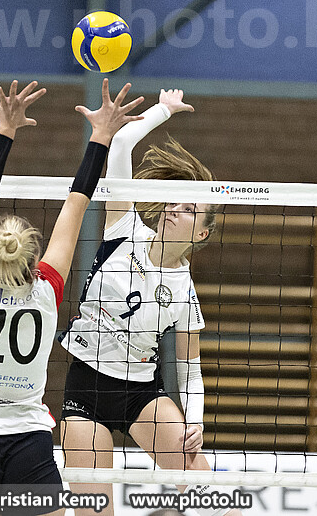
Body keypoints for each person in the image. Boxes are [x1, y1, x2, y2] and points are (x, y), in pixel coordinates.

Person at [0, 78, 144, 516]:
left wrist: (4, 129)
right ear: (33, 256)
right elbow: (77, 203)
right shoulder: (45, 290)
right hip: (28, 440)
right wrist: (101, 136)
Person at [59, 89, 239, 516]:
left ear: (201, 233)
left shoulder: (185, 292)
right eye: (176, 199)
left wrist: (195, 419)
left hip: (141, 394)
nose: (175, 207)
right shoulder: (125, 228)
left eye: (190, 209)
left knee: (216, 500)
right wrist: (164, 110)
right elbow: (121, 143)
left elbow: (190, 368)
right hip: (86, 387)